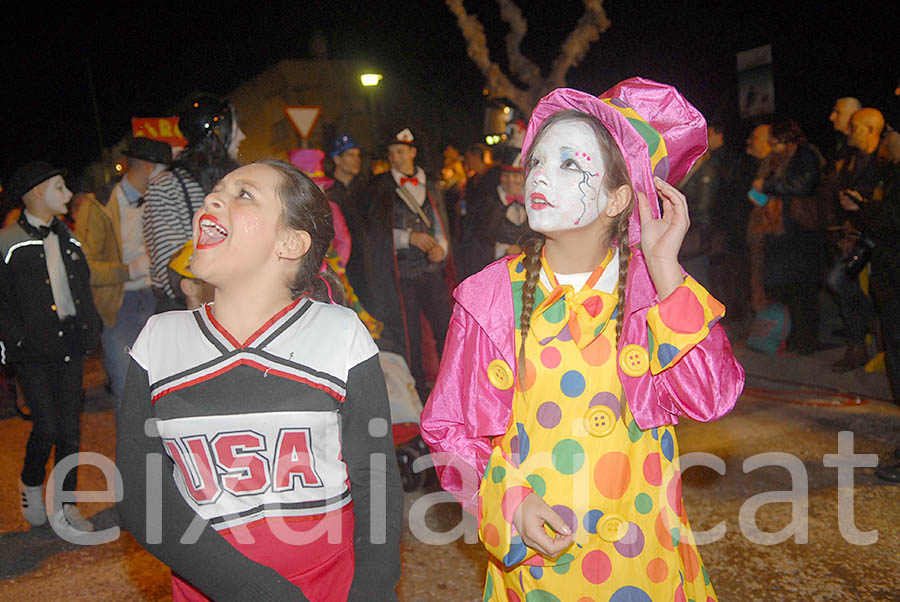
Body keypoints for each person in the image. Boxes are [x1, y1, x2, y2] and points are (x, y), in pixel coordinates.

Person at [421, 79, 743, 600]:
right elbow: (449, 426)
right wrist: (510, 501)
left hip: (645, 560)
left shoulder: (653, 290)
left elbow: (711, 395)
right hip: (540, 564)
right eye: (538, 162)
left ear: (619, 198)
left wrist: (665, 269)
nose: (541, 177)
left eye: (570, 164)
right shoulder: (490, 298)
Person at [116, 159, 402, 601]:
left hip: (332, 587)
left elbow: (374, 478)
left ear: (290, 242)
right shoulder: (158, 339)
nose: (213, 199)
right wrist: (254, 589)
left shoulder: (339, 333)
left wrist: (371, 593)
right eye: (216, 190)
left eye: (243, 194)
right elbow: (143, 494)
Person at [0, 162, 102, 538]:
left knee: (71, 431)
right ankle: (30, 482)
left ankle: (67, 503)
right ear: (37, 193)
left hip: (71, 344)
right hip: (33, 351)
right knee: (46, 425)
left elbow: (84, 288)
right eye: (59, 187)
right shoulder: (8, 243)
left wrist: (92, 328)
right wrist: (14, 339)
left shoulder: (70, 239)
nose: (69, 195)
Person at [75, 137, 171, 407]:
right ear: (150, 168)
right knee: (128, 392)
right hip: (121, 305)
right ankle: (134, 451)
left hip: (159, 299)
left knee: (165, 389)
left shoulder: (161, 200)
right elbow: (86, 267)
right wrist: (128, 271)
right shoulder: (99, 206)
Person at [366, 128, 453, 398]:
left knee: (446, 330)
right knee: (410, 337)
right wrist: (408, 237)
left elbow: (441, 224)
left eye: (400, 152)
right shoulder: (381, 187)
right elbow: (376, 234)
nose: (396, 158)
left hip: (432, 273)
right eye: (391, 154)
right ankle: (419, 395)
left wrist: (443, 247)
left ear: (413, 152)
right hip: (402, 276)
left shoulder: (432, 185)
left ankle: (451, 386)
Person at [143, 93, 245, 312]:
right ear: (218, 133)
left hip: (233, 302)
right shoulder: (167, 186)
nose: (242, 136)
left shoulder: (236, 181)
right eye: (237, 129)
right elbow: (171, 264)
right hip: (189, 309)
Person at [750, 119, 827, 354]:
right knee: (789, 289)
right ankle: (793, 339)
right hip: (783, 232)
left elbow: (803, 184)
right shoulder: (779, 160)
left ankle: (806, 342)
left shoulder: (805, 153)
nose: (775, 147)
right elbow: (764, 193)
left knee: (804, 290)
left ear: (787, 139)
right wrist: (759, 194)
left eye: (777, 142)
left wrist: (768, 186)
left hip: (801, 231)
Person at [827, 108, 884, 372]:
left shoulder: (884, 159)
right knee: (841, 281)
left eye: (855, 127)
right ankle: (860, 341)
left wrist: (861, 204)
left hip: (881, 237)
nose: (849, 131)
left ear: (872, 130)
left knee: (844, 281)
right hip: (862, 235)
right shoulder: (852, 161)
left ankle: (871, 330)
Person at [466, 145, 531, 273]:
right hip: (499, 270)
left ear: (523, 178)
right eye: (506, 175)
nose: (510, 180)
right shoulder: (489, 204)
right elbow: (478, 242)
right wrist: (503, 249)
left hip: (529, 269)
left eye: (515, 176)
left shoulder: (532, 203)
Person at [326, 134, 370, 303]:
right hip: (343, 267)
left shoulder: (364, 188)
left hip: (366, 265)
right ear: (337, 159)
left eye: (358, 155)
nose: (356, 160)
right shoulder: (328, 192)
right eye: (350, 155)